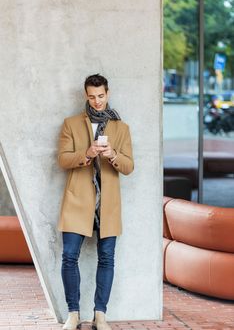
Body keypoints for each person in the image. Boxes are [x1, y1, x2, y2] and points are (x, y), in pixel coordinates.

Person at [57, 74, 134, 330]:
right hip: (77, 201)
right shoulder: (71, 124)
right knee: (69, 257)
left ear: (107, 93)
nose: (97, 101)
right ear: (85, 95)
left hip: (107, 204)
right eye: (92, 96)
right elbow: (63, 160)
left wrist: (113, 155)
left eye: (101, 96)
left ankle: (100, 315)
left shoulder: (121, 128)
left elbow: (129, 166)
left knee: (107, 259)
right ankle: (73, 314)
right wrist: (86, 154)